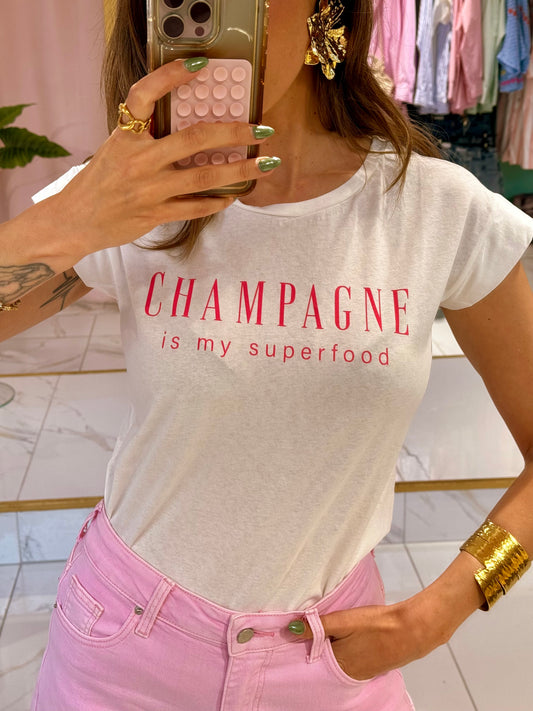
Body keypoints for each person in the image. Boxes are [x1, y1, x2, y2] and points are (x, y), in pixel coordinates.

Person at [1, 1, 532, 709]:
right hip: (122, 641)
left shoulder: (436, 209)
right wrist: (75, 215)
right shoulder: (130, 197)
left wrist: (439, 611)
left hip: (332, 656)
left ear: (324, 9)